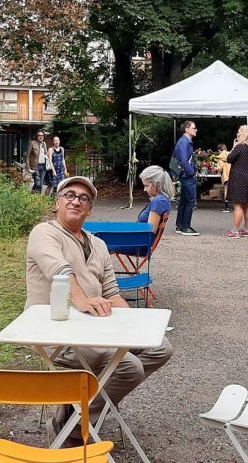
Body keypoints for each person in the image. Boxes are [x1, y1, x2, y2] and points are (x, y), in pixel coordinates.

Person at [25, 175, 173, 444]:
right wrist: (81, 300)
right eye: (69, 195)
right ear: (57, 203)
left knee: (160, 347)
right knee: (129, 368)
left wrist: (134, 326)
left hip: (94, 331)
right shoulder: (44, 233)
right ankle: (71, 430)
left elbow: (112, 294)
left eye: (84, 198)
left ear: (90, 209)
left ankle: (77, 409)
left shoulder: (98, 244)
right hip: (55, 333)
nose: (76, 201)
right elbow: (59, 271)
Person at [225, 125, 248, 238]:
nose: (237, 133)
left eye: (240, 131)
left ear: (245, 134)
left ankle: (235, 231)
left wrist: (234, 147)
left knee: (238, 206)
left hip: (238, 178)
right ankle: (246, 229)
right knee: (247, 205)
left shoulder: (240, 146)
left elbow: (229, 159)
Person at [172, 120, 199, 236]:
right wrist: (191, 172)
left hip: (184, 174)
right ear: (187, 129)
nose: (196, 130)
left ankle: (180, 225)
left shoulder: (184, 141)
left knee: (184, 200)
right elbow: (184, 160)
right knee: (190, 201)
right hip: (187, 175)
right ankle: (185, 227)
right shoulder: (184, 142)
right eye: (194, 128)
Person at [215, 143, 231, 212]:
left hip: (226, 175)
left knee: (226, 190)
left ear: (219, 150)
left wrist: (216, 168)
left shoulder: (220, 157)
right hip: (234, 174)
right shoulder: (231, 154)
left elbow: (220, 168)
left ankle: (227, 207)